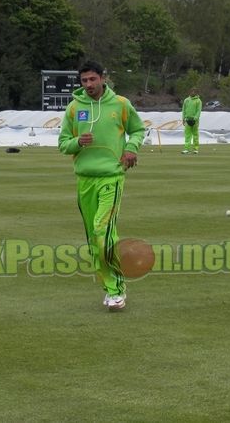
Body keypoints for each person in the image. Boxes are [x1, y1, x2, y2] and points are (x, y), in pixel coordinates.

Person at [58, 61, 145, 311]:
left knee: (103, 232)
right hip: (85, 180)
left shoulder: (120, 104)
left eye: (93, 79)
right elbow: (63, 143)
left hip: (111, 177)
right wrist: (77, 142)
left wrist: (130, 149)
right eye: (84, 81)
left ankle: (117, 290)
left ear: (102, 78)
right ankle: (109, 288)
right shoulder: (74, 108)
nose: (89, 85)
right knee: (93, 241)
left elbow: (138, 130)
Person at [181, 88, 202, 154]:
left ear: (196, 92)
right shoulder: (186, 100)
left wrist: (195, 118)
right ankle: (186, 149)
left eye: (194, 91)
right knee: (187, 135)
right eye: (191, 91)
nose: (192, 92)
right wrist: (183, 119)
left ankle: (195, 149)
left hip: (195, 121)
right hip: (187, 120)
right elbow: (183, 110)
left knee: (195, 135)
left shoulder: (198, 101)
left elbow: (199, 111)